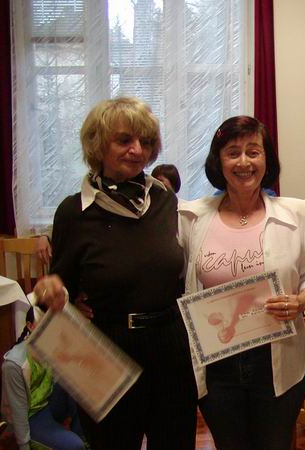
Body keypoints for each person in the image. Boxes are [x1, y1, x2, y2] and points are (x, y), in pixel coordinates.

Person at [32, 97, 197, 449]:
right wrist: (53, 290)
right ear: (98, 145)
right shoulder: (74, 212)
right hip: (107, 348)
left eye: (146, 142)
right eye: (124, 140)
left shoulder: (164, 200)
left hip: (170, 345)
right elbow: (59, 286)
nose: (137, 150)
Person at [178, 115, 305, 450]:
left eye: (253, 151)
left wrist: (302, 300)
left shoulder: (296, 212)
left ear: (266, 159)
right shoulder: (191, 217)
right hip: (217, 366)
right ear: (218, 161)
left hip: (277, 362)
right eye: (233, 152)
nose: (244, 162)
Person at [2, 306, 85, 450]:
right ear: (30, 326)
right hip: (31, 415)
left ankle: (83, 437)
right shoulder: (14, 364)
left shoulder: (50, 347)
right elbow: (18, 412)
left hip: (48, 402)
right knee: (75, 446)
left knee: (75, 380)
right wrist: (23, 445)